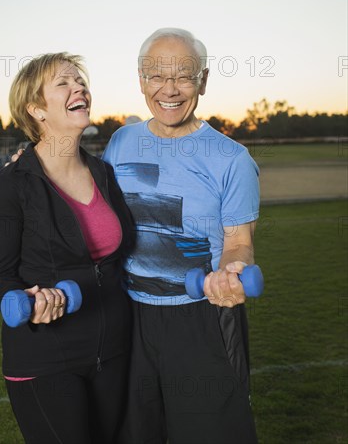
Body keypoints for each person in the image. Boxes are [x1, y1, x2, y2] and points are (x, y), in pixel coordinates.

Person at [102, 28, 260, 444]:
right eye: (157, 76)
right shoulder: (120, 143)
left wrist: (232, 271)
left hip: (201, 318)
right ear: (141, 79)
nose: (169, 90)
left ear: (203, 81)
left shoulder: (232, 159)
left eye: (184, 77)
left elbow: (238, 240)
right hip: (129, 317)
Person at [0, 53, 133, 444]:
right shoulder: (11, 187)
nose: (78, 87)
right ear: (36, 110)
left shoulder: (103, 173)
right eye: (63, 83)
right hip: (45, 357)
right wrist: (23, 297)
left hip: (113, 349)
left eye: (79, 80)